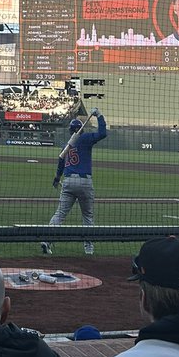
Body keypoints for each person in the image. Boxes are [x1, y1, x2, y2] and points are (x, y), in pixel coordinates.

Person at [41, 110, 107, 256]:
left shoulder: (67, 145)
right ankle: (88, 248)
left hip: (68, 180)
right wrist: (99, 116)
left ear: (71, 130)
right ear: (81, 128)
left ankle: (47, 240)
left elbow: (60, 161)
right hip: (84, 180)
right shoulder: (86, 138)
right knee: (88, 216)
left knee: (60, 214)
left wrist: (57, 178)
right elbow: (103, 133)